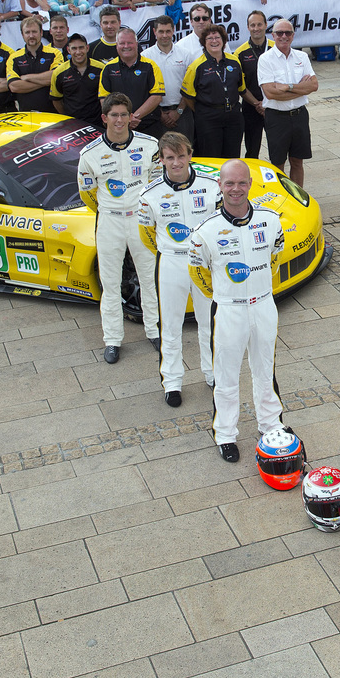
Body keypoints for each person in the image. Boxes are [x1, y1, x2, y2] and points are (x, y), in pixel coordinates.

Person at [187, 159, 288, 463]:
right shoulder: (205, 231)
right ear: (220, 185)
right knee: (226, 375)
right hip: (229, 311)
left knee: (265, 370)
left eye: (241, 182)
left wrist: (259, 292)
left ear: (249, 184)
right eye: (229, 183)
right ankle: (226, 434)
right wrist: (223, 297)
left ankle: (271, 426)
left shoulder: (271, 221)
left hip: (264, 305)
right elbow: (198, 273)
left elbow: (275, 258)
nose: (236, 189)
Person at [78, 94, 160, 363]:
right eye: (114, 115)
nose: (119, 120)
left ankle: (154, 330)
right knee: (110, 282)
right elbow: (87, 193)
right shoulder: (89, 154)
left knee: (149, 277)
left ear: (131, 116)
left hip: (141, 220)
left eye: (124, 114)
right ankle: (112, 339)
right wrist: (108, 210)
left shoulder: (149, 145)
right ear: (104, 118)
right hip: (110, 221)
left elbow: (157, 184)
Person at [139, 132, 220, 407]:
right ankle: (172, 382)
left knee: (208, 321)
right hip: (171, 262)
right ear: (161, 159)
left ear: (190, 154)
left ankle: (212, 373)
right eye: (170, 157)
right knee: (171, 325)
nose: (176, 162)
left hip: (204, 263)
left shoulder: (212, 186)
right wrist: (169, 252)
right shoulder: (149, 194)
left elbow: (220, 226)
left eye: (181, 156)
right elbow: (147, 234)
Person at [257, 19, 316, 185]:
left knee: (298, 161)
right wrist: (300, 88)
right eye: (280, 33)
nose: (284, 36)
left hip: (299, 115)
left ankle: (298, 199)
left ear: (293, 35)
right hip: (277, 118)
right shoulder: (265, 59)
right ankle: (281, 199)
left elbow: (314, 85)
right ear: (273, 35)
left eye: (288, 33)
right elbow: (270, 93)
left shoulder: (302, 57)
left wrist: (286, 87)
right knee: (277, 164)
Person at [183, 24, 246, 158]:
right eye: (209, 38)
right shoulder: (196, 66)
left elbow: (241, 88)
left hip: (233, 116)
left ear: (223, 41)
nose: (214, 41)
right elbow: (188, 96)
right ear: (203, 43)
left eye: (217, 37)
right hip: (208, 118)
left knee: (232, 157)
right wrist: (203, 111)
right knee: (211, 157)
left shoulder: (234, 61)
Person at [99, 28, 165, 137]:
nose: (126, 46)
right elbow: (104, 99)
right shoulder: (108, 68)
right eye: (122, 43)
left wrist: (134, 117)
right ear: (116, 45)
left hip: (148, 126)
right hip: (119, 128)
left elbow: (157, 96)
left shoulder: (150, 66)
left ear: (136, 44)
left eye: (130, 43)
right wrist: (123, 119)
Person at [233, 13, 270, 158]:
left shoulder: (275, 47)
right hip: (251, 106)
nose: (256, 28)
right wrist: (257, 104)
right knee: (252, 150)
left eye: (259, 24)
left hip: (273, 105)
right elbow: (239, 84)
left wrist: (268, 103)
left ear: (266, 25)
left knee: (277, 149)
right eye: (253, 25)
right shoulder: (240, 53)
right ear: (248, 27)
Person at [7, 15, 61, 112]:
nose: (31, 35)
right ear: (22, 34)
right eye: (27, 32)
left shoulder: (54, 53)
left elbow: (55, 78)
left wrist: (27, 77)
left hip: (52, 114)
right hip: (26, 115)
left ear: (41, 33)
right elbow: (14, 86)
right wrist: (45, 82)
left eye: (34, 31)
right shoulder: (14, 57)